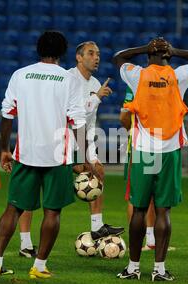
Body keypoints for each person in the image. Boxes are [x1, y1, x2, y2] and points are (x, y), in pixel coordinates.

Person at [0, 31, 97, 279]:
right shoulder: (68, 79)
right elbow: (78, 122)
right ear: (63, 52)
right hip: (57, 156)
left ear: (38, 49)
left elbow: (6, 114)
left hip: (26, 154)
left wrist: (3, 149)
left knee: (13, 208)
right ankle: (39, 267)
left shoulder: (20, 75)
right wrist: (81, 158)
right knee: (52, 212)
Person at [113, 38, 188, 281]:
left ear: (148, 57)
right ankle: (160, 270)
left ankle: (133, 268)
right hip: (169, 151)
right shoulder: (179, 76)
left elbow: (119, 58)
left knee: (139, 210)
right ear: (169, 57)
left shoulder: (138, 76)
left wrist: (144, 48)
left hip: (143, 150)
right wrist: (176, 51)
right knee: (163, 210)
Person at [68, 41, 124, 240]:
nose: (96, 57)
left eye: (98, 54)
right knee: (39, 189)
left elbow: (89, 120)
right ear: (79, 57)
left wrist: (89, 148)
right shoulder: (68, 79)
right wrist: (96, 98)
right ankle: (25, 241)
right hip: (65, 137)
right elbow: (70, 113)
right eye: (91, 53)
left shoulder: (94, 83)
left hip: (84, 138)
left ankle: (97, 227)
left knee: (98, 170)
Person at [120, 86, 176, 252]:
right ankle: (134, 243)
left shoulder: (155, 84)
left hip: (158, 146)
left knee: (152, 194)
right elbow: (123, 116)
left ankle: (150, 240)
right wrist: (135, 132)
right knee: (136, 196)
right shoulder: (135, 84)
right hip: (139, 148)